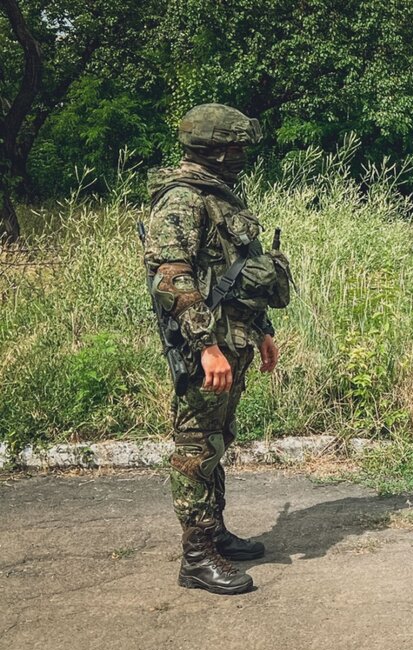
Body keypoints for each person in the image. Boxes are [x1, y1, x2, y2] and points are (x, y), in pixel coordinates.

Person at [143, 103, 291, 594]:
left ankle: (215, 532)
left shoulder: (220, 196)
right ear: (215, 148)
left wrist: (263, 328)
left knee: (216, 440)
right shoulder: (183, 199)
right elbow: (173, 277)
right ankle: (196, 555)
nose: (242, 154)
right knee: (195, 448)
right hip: (209, 347)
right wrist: (205, 345)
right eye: (236, 146)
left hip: (236, 339)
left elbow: (240, 268)